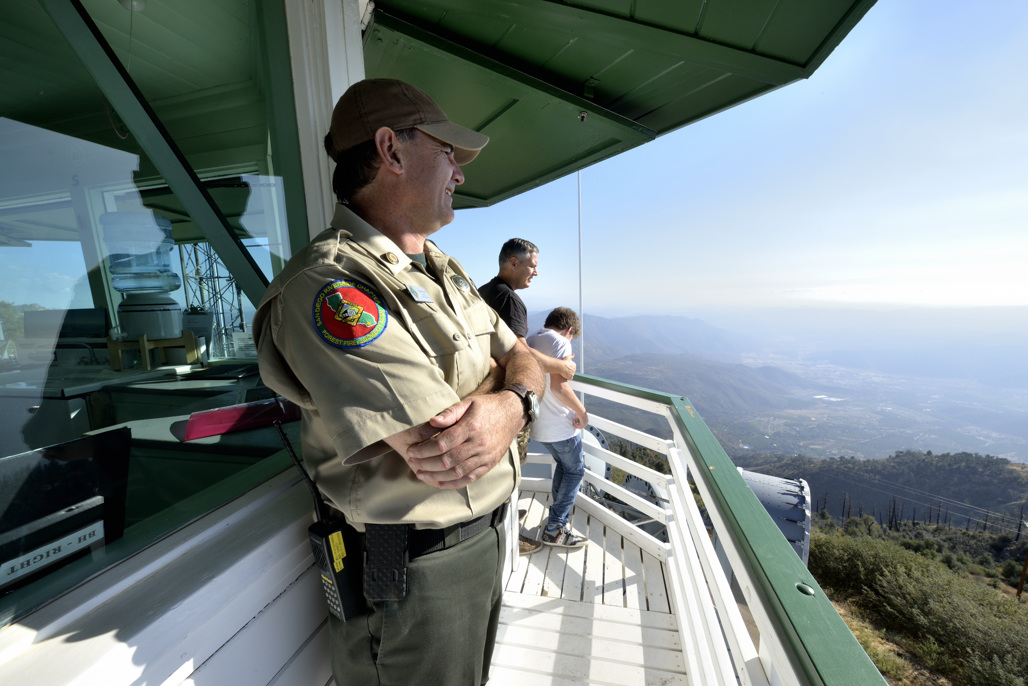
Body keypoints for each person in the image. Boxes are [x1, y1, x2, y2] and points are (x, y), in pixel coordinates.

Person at [253, 78, 544, 686]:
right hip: (417, 574)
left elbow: (525, 357)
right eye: (448, 154)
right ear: (390, 150)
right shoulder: (328, 286)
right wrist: (509, 393)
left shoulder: (443, 268)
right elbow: (449, 445)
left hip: (483, 542)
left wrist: (510, 403)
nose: (459, 174)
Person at [478, 238, 576, 555]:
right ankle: (509, 536)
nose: (536, 272)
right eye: (532, 265)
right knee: (510, 467)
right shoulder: (508, 300)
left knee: (499, 470)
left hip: (485, 394)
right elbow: (522, 355)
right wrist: (561, 365)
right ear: (514, 263)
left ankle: (503, 521)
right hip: (505, 397)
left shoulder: (485, 292)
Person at [527, 308, 589, 548]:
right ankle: (555, 528)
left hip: (539, 425)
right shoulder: (561, 343)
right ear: (570, 330)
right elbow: (559, 387)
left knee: (565, 467)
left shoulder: (532, 340)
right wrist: (582, 412)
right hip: (559, 426)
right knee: (575, 471)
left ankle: (555, 520)